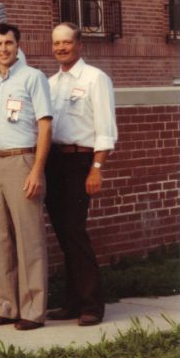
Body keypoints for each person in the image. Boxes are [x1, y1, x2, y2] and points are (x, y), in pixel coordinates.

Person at [0, 24, 52, 331]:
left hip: (23, 159)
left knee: (28, 237)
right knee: (0, 238)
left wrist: (37, 170)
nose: (3, 48)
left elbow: (45, 126)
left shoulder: (32, 78)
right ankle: (6, 305)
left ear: (18, 45)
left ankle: (33, 310)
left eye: (8, 43)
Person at [46, 22, 117, 326]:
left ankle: (92, 305)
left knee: (75, 232)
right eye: (57, 44)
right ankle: (72, 302)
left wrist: (96, 169)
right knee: (63, 234)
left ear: (79, 45)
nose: (61, 48)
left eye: (67, 43)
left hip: (81, 162)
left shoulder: (95, 79)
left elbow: (105, 130)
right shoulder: (50, 83)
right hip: (55, 163)